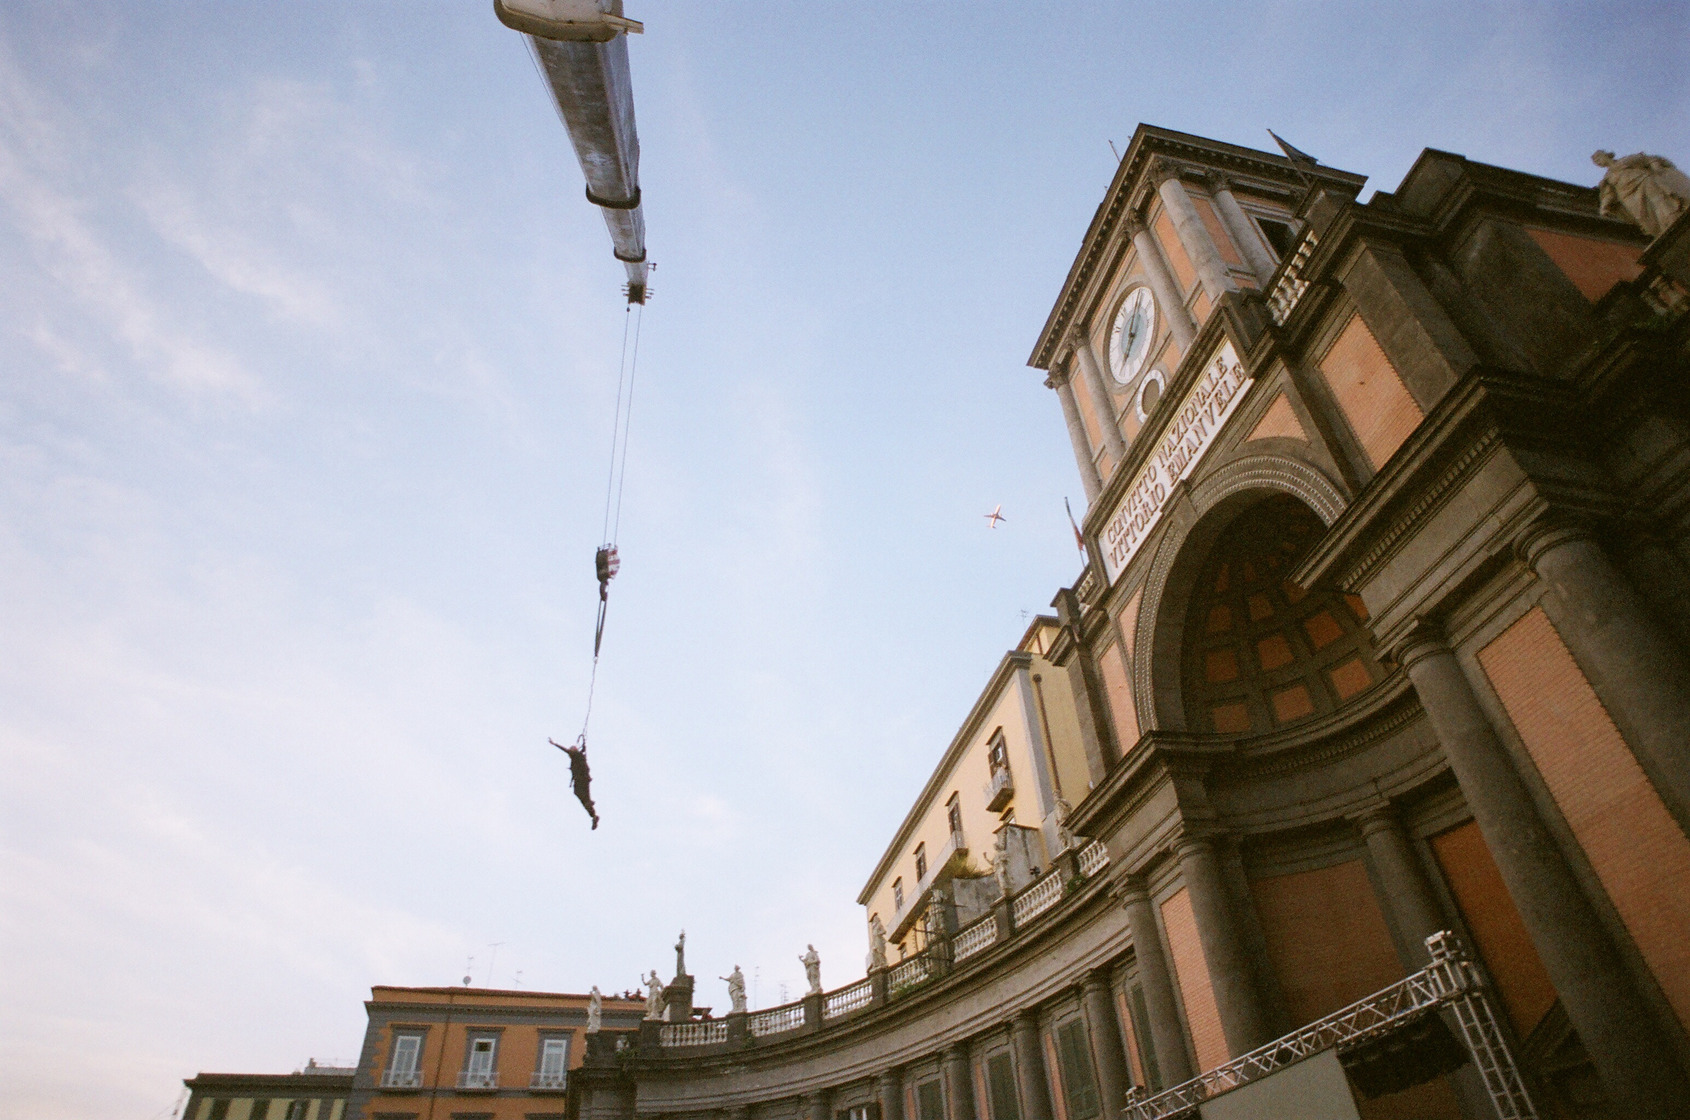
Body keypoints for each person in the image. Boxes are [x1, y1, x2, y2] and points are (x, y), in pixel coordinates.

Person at [1593, 149, 1690, 239]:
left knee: (1660, 203)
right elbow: (1609, 194)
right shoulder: (1608, 177)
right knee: (1643, 217)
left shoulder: (1625, 161)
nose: (1598, 162)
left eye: (1598, 158)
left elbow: (1648, 159)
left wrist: (1656, 167)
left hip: (1643, 182)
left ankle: (1673, 219)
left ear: (1606, 155)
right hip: (1628, 197)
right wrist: (1604, 207)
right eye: (1596, 162)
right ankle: (1662, 229)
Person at [550, 737, 600, 829]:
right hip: (582, 780)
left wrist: (555, 744)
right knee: (583, 798)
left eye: (571, 749)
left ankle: (589, 805)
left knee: (579, 793)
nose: (570, 750)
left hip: (582, 779)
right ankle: (593, 815)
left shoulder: (576, 755)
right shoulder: (578, 757)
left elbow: (566, 751)